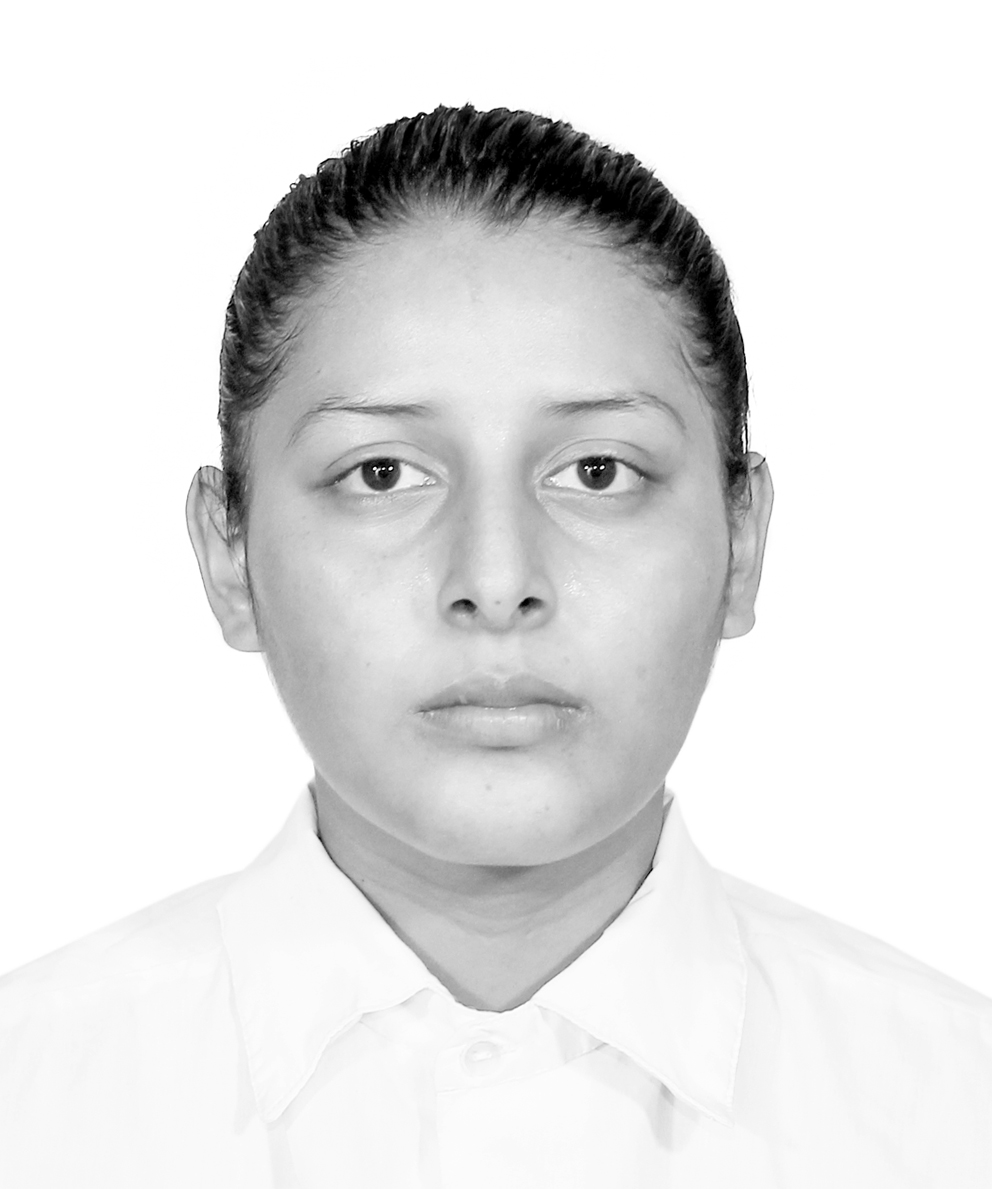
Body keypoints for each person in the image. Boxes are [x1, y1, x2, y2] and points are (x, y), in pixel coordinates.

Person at [0, 103, 989, 1188]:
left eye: (598, 471)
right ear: (229, 553)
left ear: (741, 540)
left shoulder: (954, 1109)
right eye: (381, 473)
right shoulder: (30, 1100)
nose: (497, 578)